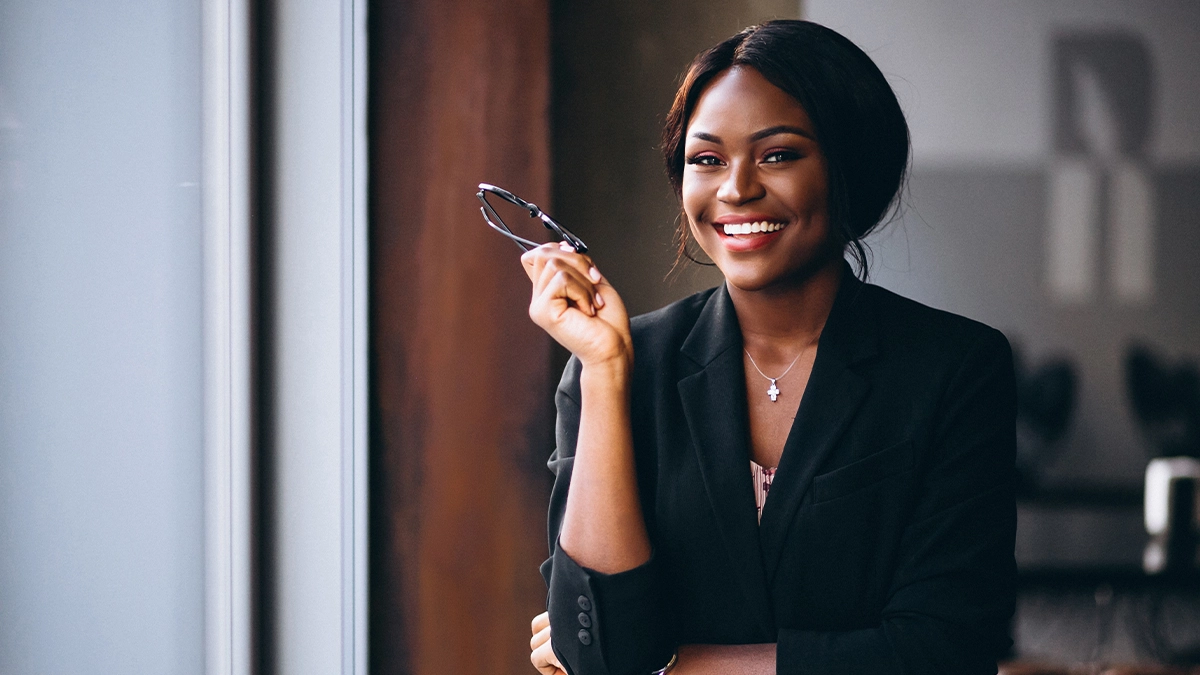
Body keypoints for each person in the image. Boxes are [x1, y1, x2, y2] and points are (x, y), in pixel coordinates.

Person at [525, 20, 1016, 675]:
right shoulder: (616, 368)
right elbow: (596, 649)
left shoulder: (955, 369)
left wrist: (675, 665)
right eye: (707, 159)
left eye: (777, 154)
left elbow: (945, 649)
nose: (736, 189)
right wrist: (606, 374)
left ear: (850, 166)